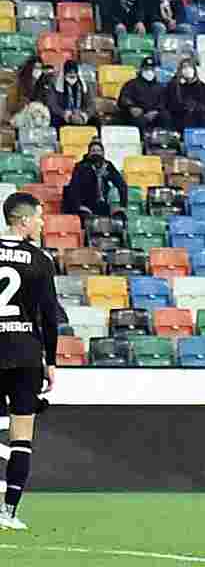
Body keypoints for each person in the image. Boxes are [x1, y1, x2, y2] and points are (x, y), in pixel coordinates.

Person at [0, 193, 61, 532]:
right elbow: (48, 317)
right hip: (25, 354)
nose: (41, 223)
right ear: (22, 220)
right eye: (38, 217)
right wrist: (51, 361)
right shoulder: (39, 259)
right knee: (21, 435)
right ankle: (8, 512)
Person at [61, 139, 128, 217]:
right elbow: (74, 187)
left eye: (99, 150)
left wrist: (123, 206)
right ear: (89, 153)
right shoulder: (81, 167)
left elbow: (122, 185)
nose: (96, 153)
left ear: (103, 153)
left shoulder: (108, 166)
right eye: (93, 150)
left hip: (101, 205)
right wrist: (79, 206)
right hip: (84, 205)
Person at [117, 57, 170, 132]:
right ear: (141, 69)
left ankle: (164, 138)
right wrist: (131, 107)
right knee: (137, 119)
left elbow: (163, 101)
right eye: (146, 68)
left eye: (151, 69)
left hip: (154, 113)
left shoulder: (160, 86)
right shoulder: (131, 84)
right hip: (138, 113)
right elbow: (124, 98)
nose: (149, 71)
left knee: (165, 116)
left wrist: (156, 111)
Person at [46, 61, 93, 129]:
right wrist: (64, 114)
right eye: (69, 75)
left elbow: (91, 104)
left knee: (95, 121)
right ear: (64, 74)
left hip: (80, 115)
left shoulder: (85, 85)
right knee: (55, 121)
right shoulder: (55, 85)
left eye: (73, 76)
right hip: (63, 116)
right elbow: (52, 104)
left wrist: (85, 115)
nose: (72, 78)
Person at [167, 58, 205, 130]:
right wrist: (184, 106)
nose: (187, 70)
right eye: (184, 67)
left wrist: (195, 107)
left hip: (198, 114)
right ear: (180, 70)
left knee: (202, 115)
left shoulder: (201, 85)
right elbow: (171, 103)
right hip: (179, 114)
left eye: (190, 67)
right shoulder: (173, 85)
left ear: (194, 70)